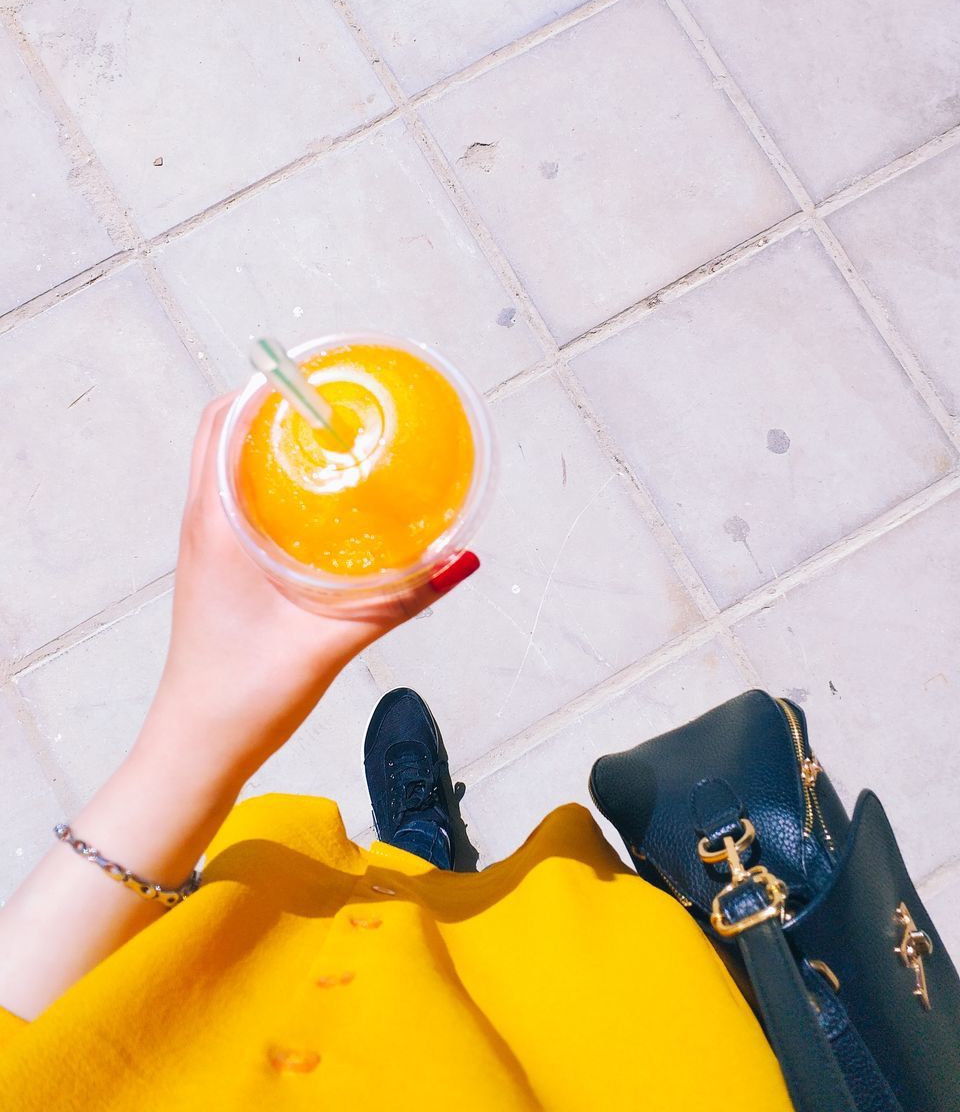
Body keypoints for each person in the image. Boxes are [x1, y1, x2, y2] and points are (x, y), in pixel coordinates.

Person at [0, 397, 792, 1109]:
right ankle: (424, 851)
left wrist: (190, 739)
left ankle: (412, 848)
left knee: (308, 894)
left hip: (222, 996)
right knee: (537, 947)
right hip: (569, 1055)